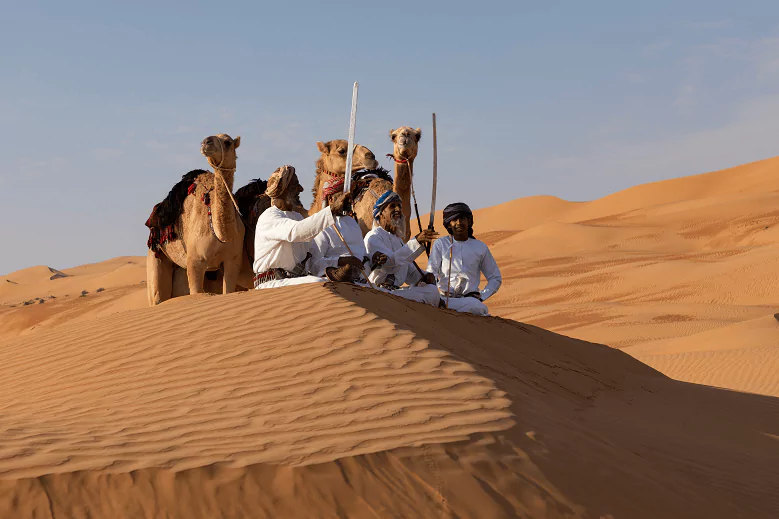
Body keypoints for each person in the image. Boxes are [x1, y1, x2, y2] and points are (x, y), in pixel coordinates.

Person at [253, 165, 353, 289]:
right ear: (282, 189)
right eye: (295, 185)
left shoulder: (297, 217)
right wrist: (332, 210)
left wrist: (339, 263)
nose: (300, 189)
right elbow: (297, 232)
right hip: (271, 284)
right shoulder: (269, 217)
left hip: (296, 282)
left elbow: (312, 261)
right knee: (318, 285)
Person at [364, 191, 440, 305]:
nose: (398, 210)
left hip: (395, 293)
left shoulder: (398, 240)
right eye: (392, 206)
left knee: (432, 291)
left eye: (399, 206)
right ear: (381, 214)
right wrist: (416, 242)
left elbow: (409, 272)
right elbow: (390, 265)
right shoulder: (373, 237)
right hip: (377, 291)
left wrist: (424, 277)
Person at [426, 202, 502, 315]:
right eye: (454, 220)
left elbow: (495, 278)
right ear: (448, 224)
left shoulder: (480, 247)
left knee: (478, 307)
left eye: (462, 218)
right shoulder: (441, 244)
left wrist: (481, 297)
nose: (459, 223)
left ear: (469, 221)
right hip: (444, 300)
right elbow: (431, 272)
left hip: (469, 301)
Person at [309, 177, 370, 282]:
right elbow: (314, 265)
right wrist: (340, 261)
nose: (349, 200)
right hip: (330, 283)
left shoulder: (352, 223)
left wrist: (372, 260)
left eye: (349, 196)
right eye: (343, 197)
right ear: (331, 199)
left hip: (360, 283)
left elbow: (361, 257)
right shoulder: (321, 224)